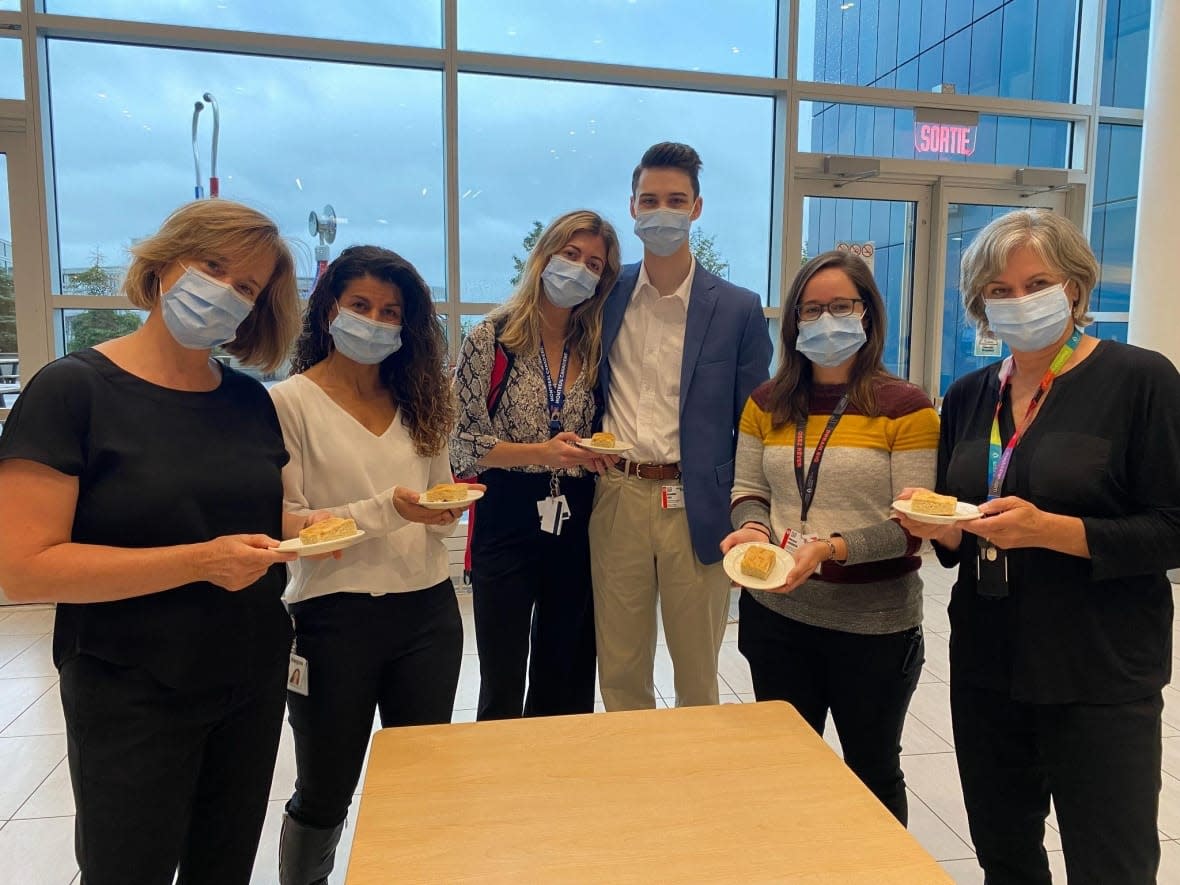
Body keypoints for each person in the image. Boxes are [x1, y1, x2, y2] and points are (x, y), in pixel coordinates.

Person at [0, 200, 306, 884]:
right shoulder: (73, 392)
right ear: (166, 263)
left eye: (248, 287)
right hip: (132, 686)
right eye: (214, 266)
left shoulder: (249, 401)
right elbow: (24, 568)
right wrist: (198, 562)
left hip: (249, 678)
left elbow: (240, 515)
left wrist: (312, 529)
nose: (227, 291)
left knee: (222, 865)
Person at [894, 209, 1180, 883]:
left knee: (1110, 862)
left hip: (1099, 669)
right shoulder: (969, 395)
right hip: (989, 662)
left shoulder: (1141, 381)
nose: (1018, 301)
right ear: (980, 303)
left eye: (1036, 282)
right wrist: (942, 529)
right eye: (1000, 289)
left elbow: (1172, 526)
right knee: (1006, 854)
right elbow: (965, 522)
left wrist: (1049, 530)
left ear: (1075, 288)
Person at [270, 245, 470, 885]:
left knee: (422, 780)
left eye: (391, 311)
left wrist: (444, 512)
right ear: (328, 308)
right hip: (332, 617)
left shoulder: (422, 401)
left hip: (428, 614)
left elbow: (438, 493)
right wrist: (388, 509)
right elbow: (287, 521)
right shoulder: (290, 402)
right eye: (361, 306)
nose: (376, 321)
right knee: (326, 785)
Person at [719, 250, 938, 824]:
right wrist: (751, 527)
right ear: (792, 323)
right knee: (785, 769)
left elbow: (912, 528)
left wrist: (831, 548)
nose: (825, 321)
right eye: (811, 309)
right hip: (777, 618)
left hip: (873, 626)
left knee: (871, 770)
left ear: (867, 313)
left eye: (840, 306)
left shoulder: (907, 407)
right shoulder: (767, 402)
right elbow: (748, 488)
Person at [590, 142, 773, 710]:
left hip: (700, 503)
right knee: (619, 665)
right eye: (650, 200)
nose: (661, 212)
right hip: (617, 495)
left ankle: (696, 787)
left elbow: (755, 422)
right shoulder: (603, 295)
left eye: (675, 200)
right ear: (632, 207)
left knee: (698, 668)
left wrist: (757, 513)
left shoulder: (738, 308)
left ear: (696, 208)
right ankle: (633, 779)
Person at [452, 210, 621, 719]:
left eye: (593, 264)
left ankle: (558, 780)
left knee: (565, 667)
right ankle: (503, 785)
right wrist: (541, 454)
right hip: (506, 516)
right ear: (544, 255)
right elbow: (462, 444)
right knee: (502, 673)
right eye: (570, 255)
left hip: (575, 515)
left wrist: (592, 454)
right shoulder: (491, 338)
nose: (579, 270)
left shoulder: (594, 346)